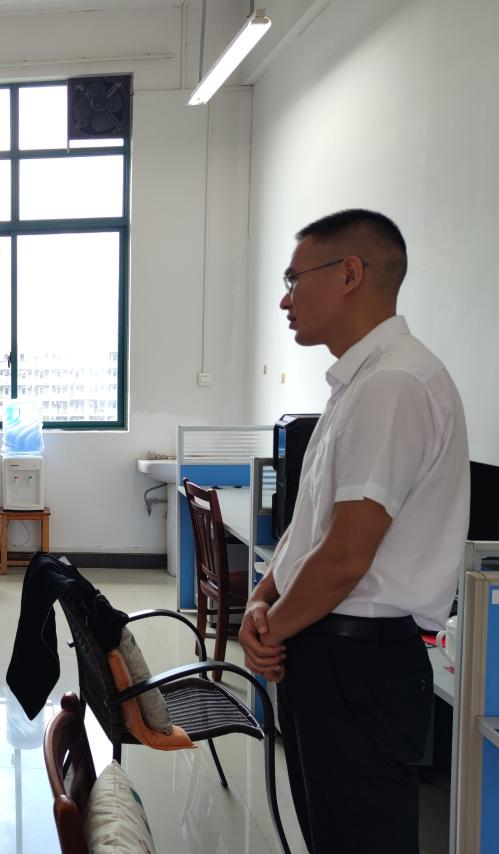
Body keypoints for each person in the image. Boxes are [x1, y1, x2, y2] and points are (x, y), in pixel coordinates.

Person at [238, 209, 469, 853]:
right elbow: (310, 527)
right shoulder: (357, 384)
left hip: (358, 658)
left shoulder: (394, 383)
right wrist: (261, 597)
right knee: (331, 834)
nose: (285, 300)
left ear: (349, 274)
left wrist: (268, 628)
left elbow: (345, 556)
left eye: (293, 279)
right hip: (327, 646)